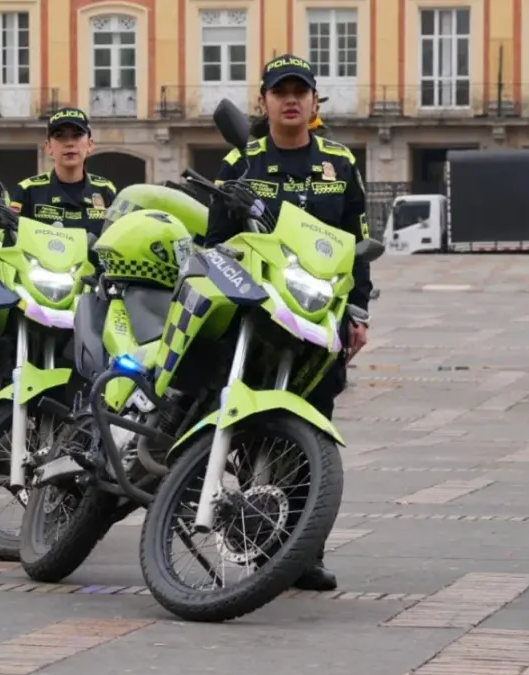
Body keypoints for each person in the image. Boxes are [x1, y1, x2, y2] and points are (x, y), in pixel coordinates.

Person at [204, 54, 373, 593]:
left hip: (318, 317)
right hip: (257, 315)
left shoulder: (340, 162)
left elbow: (357, 245)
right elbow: (215, 243)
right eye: (281, 92)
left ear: (315, 102)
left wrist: (359, 312)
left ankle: (304, 553)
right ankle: (252, 531)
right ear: (264, 102)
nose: (291, 99)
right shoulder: (242, 161)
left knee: (310, 430)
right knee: (250, 429)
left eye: (301, 91)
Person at [8, 107, 117, 237]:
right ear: (48, 147)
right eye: (60, 136)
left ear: (90, 144)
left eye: (77, 135)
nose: (69, 143)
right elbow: (12, 241)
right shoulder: (28, 190)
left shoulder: (105, 190)